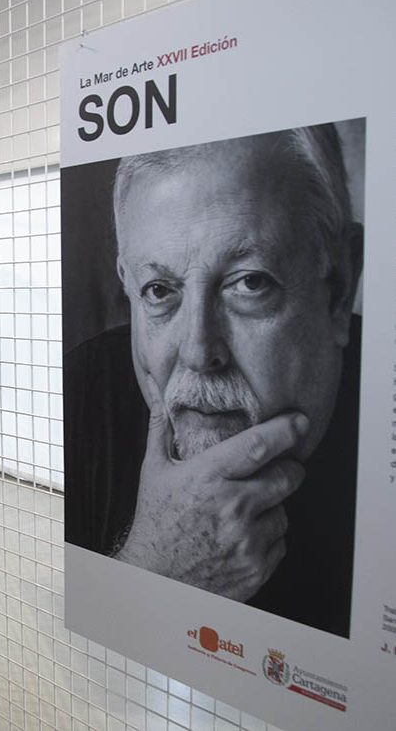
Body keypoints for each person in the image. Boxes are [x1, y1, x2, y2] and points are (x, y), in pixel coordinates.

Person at [64, 123, 363, 637]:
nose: (200, 352)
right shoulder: (83, 389)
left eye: (249, 283)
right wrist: (156, 564)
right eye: (159, 290)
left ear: (339, 286)